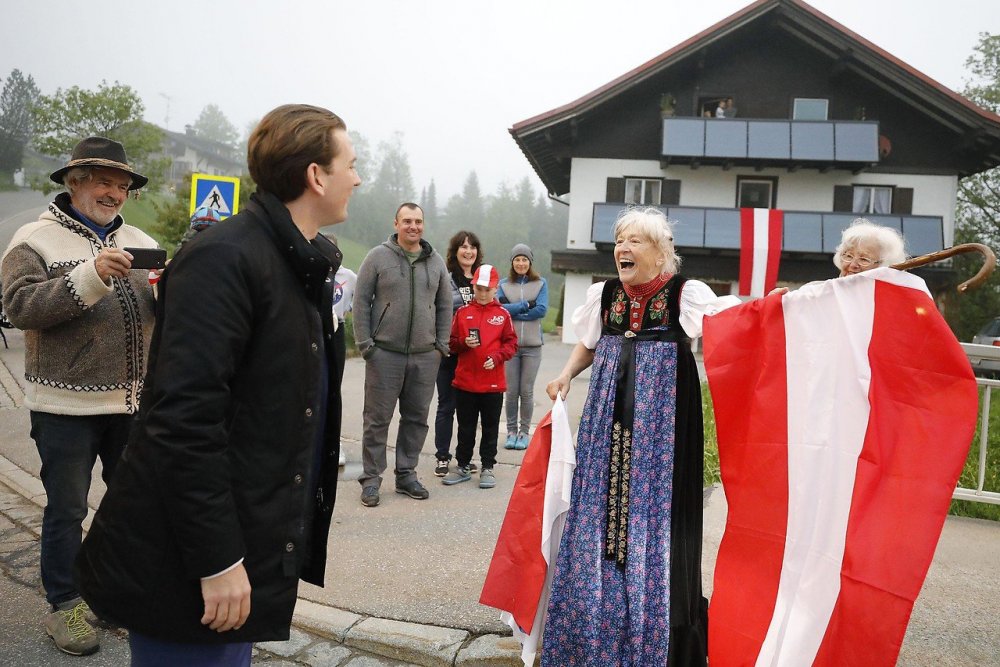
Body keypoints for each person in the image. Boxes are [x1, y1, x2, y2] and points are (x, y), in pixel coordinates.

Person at [74, 104, 360, 665]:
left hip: (240, 544)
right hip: (188, 562)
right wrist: (219, 559)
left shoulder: (298, 263)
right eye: (351, 163)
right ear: (316, 174)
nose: (357, 177)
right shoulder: (226, 258)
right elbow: (182, 423)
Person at [541, 207, 739, 665]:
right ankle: (594, 626)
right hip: (606, 414)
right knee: (601, 507)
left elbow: (734, 326)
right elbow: (590, 343)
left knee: (650, 512)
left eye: (635, 241)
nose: (623, 249)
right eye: (619, 241)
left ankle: (652, 631)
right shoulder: (604, 293)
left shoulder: (687, 294)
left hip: (661, 425)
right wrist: (567, 375)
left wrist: (780, 305)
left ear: (662, 251)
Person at [0, 136, 157, 656]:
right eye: (103, 181)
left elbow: (159, 312)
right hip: (66, 407)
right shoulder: (34, 240)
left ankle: (108, 594)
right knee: (67, 510)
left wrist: (169, 290)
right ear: (75, 182)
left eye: (122, 184)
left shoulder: (140, 237)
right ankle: (65, 605)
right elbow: (19, 308)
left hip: (131, 405)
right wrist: (90, 277)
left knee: (128, 507)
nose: (114, 192)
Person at [352, 203, 451, 507]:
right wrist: (366, 344)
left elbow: (446, 304)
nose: (413, 226)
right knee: (377, 419)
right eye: (407, 221)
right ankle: (371, 478)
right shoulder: (377, 257)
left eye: (418, 221)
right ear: (395, 223)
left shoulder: (435, 262)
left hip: (425, 356)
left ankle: (406, 474)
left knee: (417, 419)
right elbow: (361, 301)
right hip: (385, 354)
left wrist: (440, 345)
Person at [442, 264, 517, 489]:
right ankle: (463, 465)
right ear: (473, 287)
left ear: (496, 289)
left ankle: (487, 467)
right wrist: (464, 343)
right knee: (465, 427)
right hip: (464, 383)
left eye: (488, 289)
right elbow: (452, 344)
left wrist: (497, 356)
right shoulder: (462, 313)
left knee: (490, 427)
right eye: (479, 288)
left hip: (493, 385)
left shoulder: (503, 315)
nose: (483, 293)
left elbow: (511, 343)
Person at [432, 231, 483, 477]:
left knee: (469, 409)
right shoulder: (446, 276)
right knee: (446, 406)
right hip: (450, 352)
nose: (468, 251)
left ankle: (464, 457)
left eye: (472, 247)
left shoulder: (482, 278)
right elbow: (440, 308)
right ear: (455, 250)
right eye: (463, 247)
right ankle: (442, 456)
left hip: (475, 355)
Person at [497, 243, 548, 450]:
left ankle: (524, 432)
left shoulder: (540, 283)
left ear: (530, 262)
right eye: (517, 259)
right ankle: (510, 431)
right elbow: (500, 309)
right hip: (510, 346)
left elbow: (542, 309)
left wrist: (514, 311)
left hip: (533, 347)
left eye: (524, 259)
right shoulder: (503, 285)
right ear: (512, 262)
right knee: (510, 391)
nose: (520, 263)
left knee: (526, 391)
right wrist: (526, 305)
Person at [833, 217, 907, 276]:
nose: (853, 265)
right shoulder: (827, 291)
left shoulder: (890, 294)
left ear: (884, 265)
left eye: (864, 259)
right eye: (849, 256)